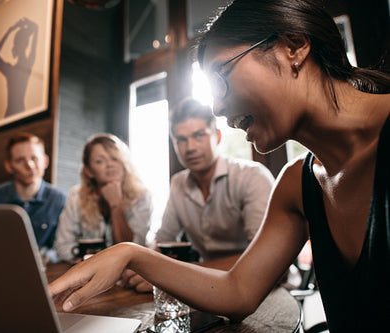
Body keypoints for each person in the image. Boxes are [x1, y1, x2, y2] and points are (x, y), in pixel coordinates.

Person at [49, 0, 390, 331]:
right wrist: (130, 254)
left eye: (220, 79)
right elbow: (238, 291)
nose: (217, 110)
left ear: (294, 47)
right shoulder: (296, 183)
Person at [121, 98, 274, 292]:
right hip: (211, 288)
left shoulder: (251, 176)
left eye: (199, 135)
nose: (190, 147)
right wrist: (144, 266)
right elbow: (163, 241)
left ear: (217, 137)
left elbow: (263, 260)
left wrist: (175, 274)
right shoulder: (178, 183)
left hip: (267, 288)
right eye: (181, 140)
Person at [54, 133, 153, 263]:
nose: (109, 164)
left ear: (124, 163)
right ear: (89, 171)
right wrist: (89, 259)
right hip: (87, 270)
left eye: (115, 158)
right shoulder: (76, 197)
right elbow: (62, 246)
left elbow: (134, 248)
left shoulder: (141, 196)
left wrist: (116, 205)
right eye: (100, 161)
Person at [0, 132, 66, 262]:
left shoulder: (61, 201)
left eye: (34, 158)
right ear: (9, 166)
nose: (29, 165)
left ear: (45, 161)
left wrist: (48, 256)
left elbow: (64, 247)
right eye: (20, 160)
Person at [0, 17, 38, 118]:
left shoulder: (14, 69)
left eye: (24, 42)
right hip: (16, 113)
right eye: (22, 42)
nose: (23, 45)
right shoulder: (13, 69)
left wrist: (11, 30)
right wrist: (11, 30)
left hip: (15, 113)